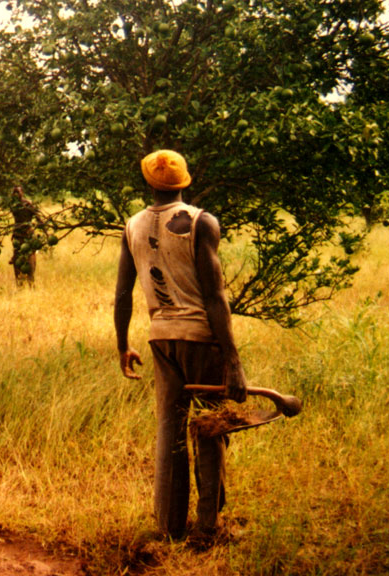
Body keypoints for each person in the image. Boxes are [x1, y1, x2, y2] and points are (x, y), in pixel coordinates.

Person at [114, 149, 248, 543]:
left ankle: (169, 527)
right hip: (201, 340)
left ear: (149, 183)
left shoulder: (133, 225)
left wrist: (123, 344)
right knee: (210, 429)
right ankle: (208, 528)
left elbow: (122, 293)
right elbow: (215, 296)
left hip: (161, 338)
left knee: (170, 431)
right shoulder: (202, 222)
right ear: (184, 181)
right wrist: (233, 360)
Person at [9, 185, 41, 286]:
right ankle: (19, 286)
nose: (16, 194)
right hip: (17, 236)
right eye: (14, 192)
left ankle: (31, 285)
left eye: (18, 192)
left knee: (30, 265)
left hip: (28, 237)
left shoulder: (28, 204)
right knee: (17, 266)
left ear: (22, 193)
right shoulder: (13, 206)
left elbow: (38, 218)